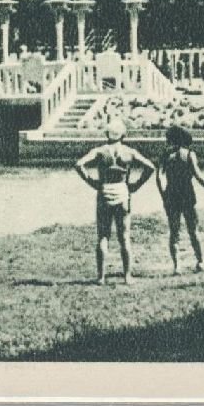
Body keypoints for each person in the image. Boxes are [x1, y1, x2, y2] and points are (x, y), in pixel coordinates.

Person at [74, 119, 156, 285]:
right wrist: (136, 185)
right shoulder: (129, 152)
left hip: (104, 191)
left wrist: (91, 182)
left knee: (103, 236)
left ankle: (101, 277)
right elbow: (150, 167)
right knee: (124, 237)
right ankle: (127, 276)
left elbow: (79, 164)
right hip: (122, 192)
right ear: (123, 135)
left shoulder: (99, 151)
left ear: (107, 134)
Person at [158, 126, 204, 274]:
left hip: (171, 194)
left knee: (174, 232)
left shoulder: (165, 155)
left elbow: (159, 177)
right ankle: (200, 261)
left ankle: (177, 266)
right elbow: (199, 177)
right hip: (187, 194)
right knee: (193, 230)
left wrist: (163, 195)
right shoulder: (190, 155)